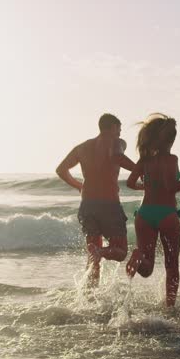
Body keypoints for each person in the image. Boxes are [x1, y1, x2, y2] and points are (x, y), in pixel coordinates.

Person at [56, 113, 136, 287]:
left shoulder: (82, 147)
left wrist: (79, 186)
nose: (120, 134)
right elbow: (116, 156)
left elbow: (61, 169)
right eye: (119, 129)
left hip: (87, 205)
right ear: (113, 127)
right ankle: (100, 251)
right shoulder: (117, 142)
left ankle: (89, 299)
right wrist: (140, 170)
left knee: (93, 259)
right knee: (121, 251)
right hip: (109, 204)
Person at [125, 114, 180, 307]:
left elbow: (129, 182)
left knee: (147, 268)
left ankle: (138, 256)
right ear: (171, 139)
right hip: (167, 214)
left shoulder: (143, 160)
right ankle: (170, 307)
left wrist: (146, 188)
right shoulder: (172, 159)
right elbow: (171, 187)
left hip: (145, 214)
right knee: (171, 265)